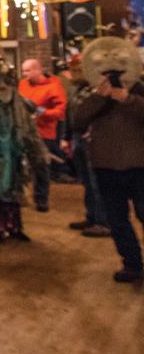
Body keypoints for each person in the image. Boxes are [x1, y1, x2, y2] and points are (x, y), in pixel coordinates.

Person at [72, 37, 144, 283]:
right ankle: (132, 264)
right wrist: (99, 97)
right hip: (105, 166)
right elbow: (77, 119)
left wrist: (126, 98)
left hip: (140, 165)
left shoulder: (140, 90)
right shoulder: (89, 93)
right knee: (117, 220)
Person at [0, 57, 46, 242]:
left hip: (13, 153)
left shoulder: (17, 101)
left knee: (13, 189)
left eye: (5, 81)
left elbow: (28, 127)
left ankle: (13, 227)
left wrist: (36, 150)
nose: (2, 86)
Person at [60, 55, 110, 238]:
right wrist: (66, 137)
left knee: (96, 181)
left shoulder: (100, 91)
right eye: (72, 69)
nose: (74, 73)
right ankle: (92, 216)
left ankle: (103, 221)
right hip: (77, 138)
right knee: (86, 181)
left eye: (78, 69)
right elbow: (69, 114)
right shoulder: (76, 90)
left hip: (93, 140)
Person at [18, 57, 68, 211]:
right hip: (24, 131)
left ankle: (41, 199)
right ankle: (21, 196)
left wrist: (41, 112)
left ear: (38, 70)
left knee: (41, 167)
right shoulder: (23, 84)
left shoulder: (53, 86)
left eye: (28, 71)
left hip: (43, 132)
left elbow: (60, 112)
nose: (24, 74)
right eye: (23, 70)